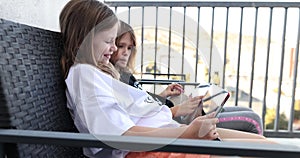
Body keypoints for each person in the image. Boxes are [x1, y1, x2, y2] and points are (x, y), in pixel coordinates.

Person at [59, 0, 271, 157]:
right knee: (261, 150)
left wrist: (181, 127)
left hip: (169, 132)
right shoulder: (83, 75)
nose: (114, 49)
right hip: (153, 148)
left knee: (264, 145)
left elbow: (130, 116)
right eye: (109, 41)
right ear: (84, 38)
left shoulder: (97, 73)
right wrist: (185, 133)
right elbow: (121, 136)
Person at [110, 20, 263, 135]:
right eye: (121, 46)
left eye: (130, 48)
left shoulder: (124, 74)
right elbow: (137, 113)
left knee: (247, 110)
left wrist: (164, 94)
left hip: (178, 112)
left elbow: (143, 101)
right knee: (253, 121)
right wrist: (179, 109)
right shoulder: (114, 80)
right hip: (176, 120)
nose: (126, 52)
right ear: (111, 45)